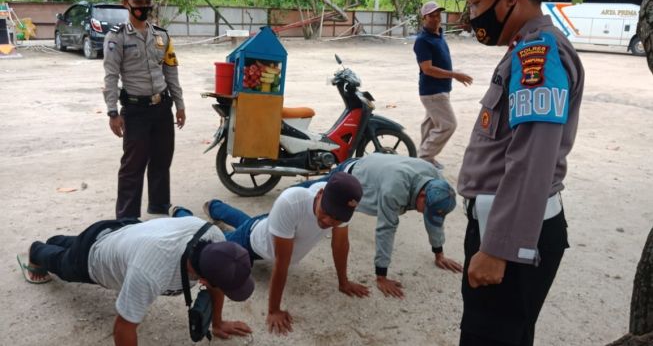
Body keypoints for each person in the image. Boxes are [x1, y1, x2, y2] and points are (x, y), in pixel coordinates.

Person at [457, 0, 584, 345]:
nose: (472, 15)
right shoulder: (524, 48)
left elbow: (533, 156)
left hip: (510, 233)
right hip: (504, 223)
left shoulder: (538, 53)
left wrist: (499, 248)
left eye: (477, 2)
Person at [172, 172, 370, 335]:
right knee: (214, 239)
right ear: (319, 194)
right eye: (326, 212)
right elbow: (281, 262)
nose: (329, 221)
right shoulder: (291, 203)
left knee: (249, 222)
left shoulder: (341, 207)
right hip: (251, 243)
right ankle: (182, 214)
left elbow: (340, 245)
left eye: (337, 218)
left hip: (268, 226)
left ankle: (214, 206)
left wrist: (343, 282)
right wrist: (274, 310)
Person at [18, 216, 255, 344]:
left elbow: (218, 282)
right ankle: (37, 250)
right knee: (63, 264)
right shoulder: (150, 273)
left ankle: (59, 241)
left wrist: (218, 321)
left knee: (75, 245)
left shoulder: (214, 237)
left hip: (126, 232)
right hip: (95, 257)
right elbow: (123, 328)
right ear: (203, 278)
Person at [296, 154, 460, 298]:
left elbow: (435, 219)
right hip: (348, 176)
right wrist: (381, 276)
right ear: (422, 195)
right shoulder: (395, 189)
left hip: (370, 166)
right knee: (305, 196)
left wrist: (439, 253)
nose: (423, 214)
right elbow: (386, 229)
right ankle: (279, 207)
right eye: (425, 210)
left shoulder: (439, 183)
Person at [103, 0, 186, 219]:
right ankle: (127, 217)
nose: (143, 7)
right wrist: (112, 112)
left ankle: (159, 207)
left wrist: (180, 105)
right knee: (133, 165)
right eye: (138, 2)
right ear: (125, 3)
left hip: (162, 107)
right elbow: (110, 76)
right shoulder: (116, 37)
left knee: (162, 159)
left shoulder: (161, 35)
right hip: (135, 110)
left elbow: (171, 71)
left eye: (147, 2)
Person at [413, 1, 473, 169]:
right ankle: (425, 158)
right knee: (448, 124)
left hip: (440, 89)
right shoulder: (423, 41)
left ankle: (426, 157)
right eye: (432, 16)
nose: (436, 18)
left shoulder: (438, 35)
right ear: (424, 17)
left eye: (438, 15)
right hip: (433, 92)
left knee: (430, 123)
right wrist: (455, 75)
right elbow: (427, 69)